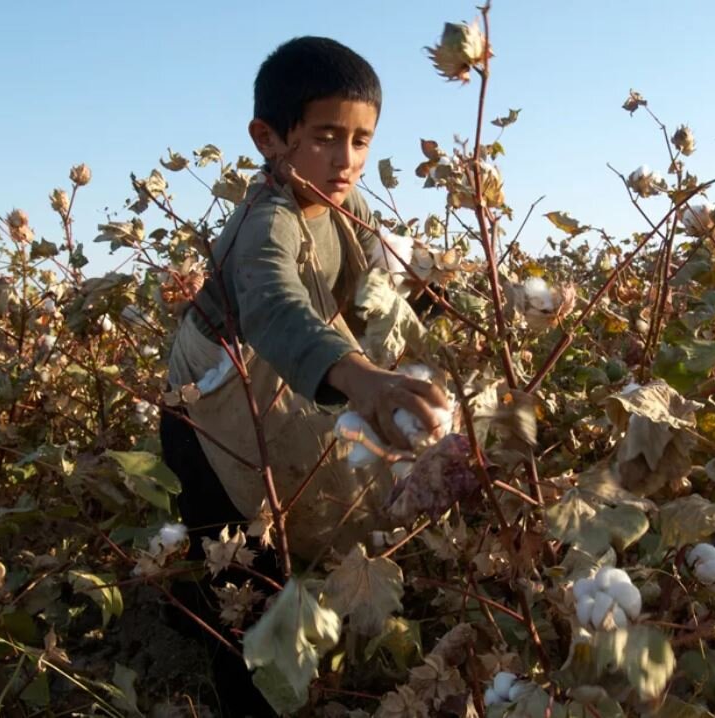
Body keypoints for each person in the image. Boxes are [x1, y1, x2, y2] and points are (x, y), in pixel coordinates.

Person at [157, 36, 447, 717]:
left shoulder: (345, 209)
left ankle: (182, 602)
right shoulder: (266, 221)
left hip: (269, 390)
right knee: (245, 577)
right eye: (325, 137)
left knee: (267, 544)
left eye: (360, 140)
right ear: (269, 138)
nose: (346, 159)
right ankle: (244, 693)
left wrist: (436, 301)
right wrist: (367, 381)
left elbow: (372, 282)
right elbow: (274, 306)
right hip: (205, 420)